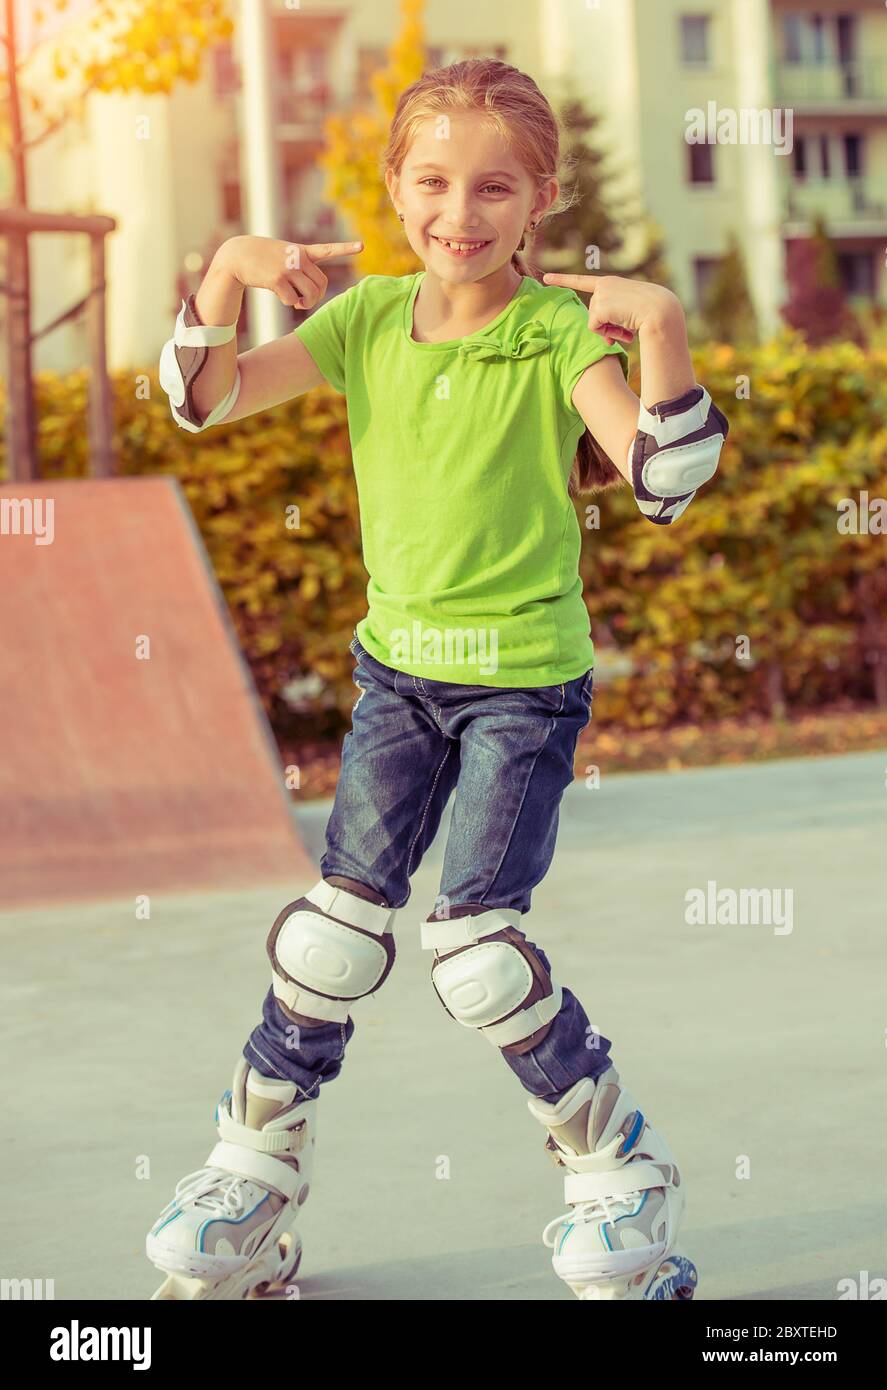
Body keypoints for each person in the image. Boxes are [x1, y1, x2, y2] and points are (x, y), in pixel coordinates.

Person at [150, 58, 727, 1302]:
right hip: (395, 680)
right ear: (394, 187)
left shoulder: (553, 331)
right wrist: (224, 274)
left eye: (492, 187)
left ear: (540, 199)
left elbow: (663, 480)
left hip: (522, 687)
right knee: (331, 933)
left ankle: (618, 1166)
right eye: (431, 182)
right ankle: (251, 1173)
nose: (457, 213)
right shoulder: (362, 322)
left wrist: (661, 327)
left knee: (471, 944)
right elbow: (206, 402)